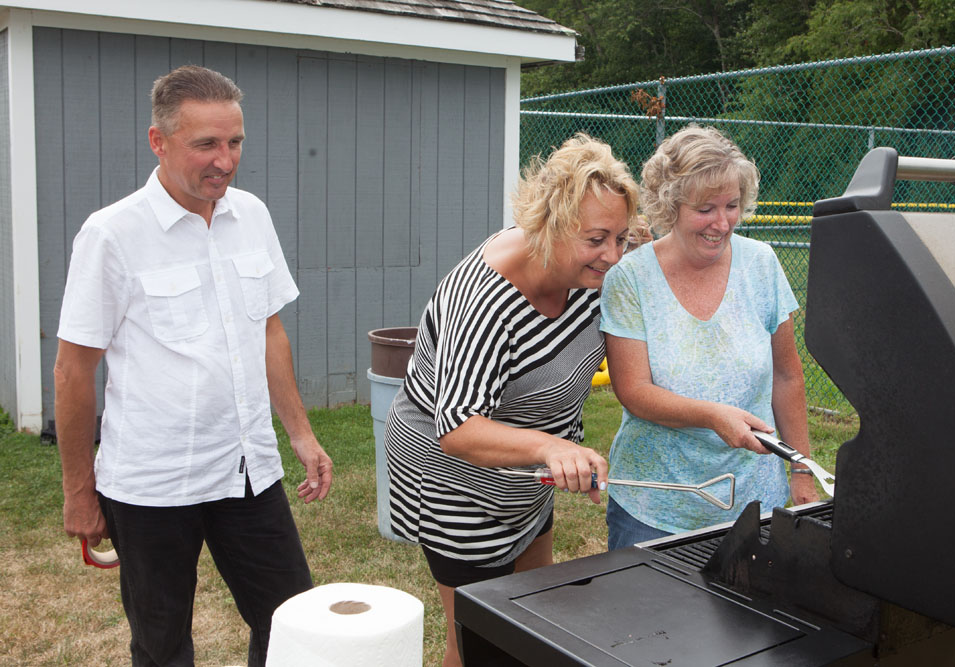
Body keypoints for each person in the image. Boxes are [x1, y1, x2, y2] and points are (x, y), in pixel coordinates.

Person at [53, 65, 333, 667]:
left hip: (246, 471)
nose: (225, 161)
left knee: (293, 627)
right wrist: (80, 492)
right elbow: (74, 371)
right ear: (159, 141)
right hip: (152, 486)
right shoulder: (111, 234)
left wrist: (301, 435)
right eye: (205, 144)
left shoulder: (251, 215)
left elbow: (268, 330)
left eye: (234, 142)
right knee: (161, 646)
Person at [385, 133, 640, 666]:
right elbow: (457, 427)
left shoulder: (589, 268)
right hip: (456, 482)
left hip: (525, 475)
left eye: (620, 237)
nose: (614, 256)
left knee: (538, 621)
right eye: (598, 239)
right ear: (549, 224)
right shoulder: (484, 299)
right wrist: (550, 449)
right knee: (477, 646)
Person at [600, 125, 819, 550]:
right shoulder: (630, 278)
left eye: (732, 205)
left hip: (754, 503)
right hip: (655, 505)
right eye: (705, 209)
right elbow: (634, 391)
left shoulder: (761, 265)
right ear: (671, 205)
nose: (722, 223)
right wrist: (715, 415)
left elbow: (787, 377)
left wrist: (802, 470)